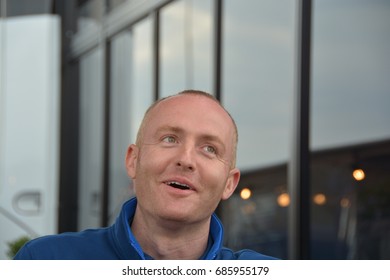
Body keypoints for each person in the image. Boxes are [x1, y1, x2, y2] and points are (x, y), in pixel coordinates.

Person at [14, 90, 277, 260]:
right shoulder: (45, 261)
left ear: (229, 184)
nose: (185, 159)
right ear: (133, 160)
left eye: (209, 149)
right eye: (169, 139)